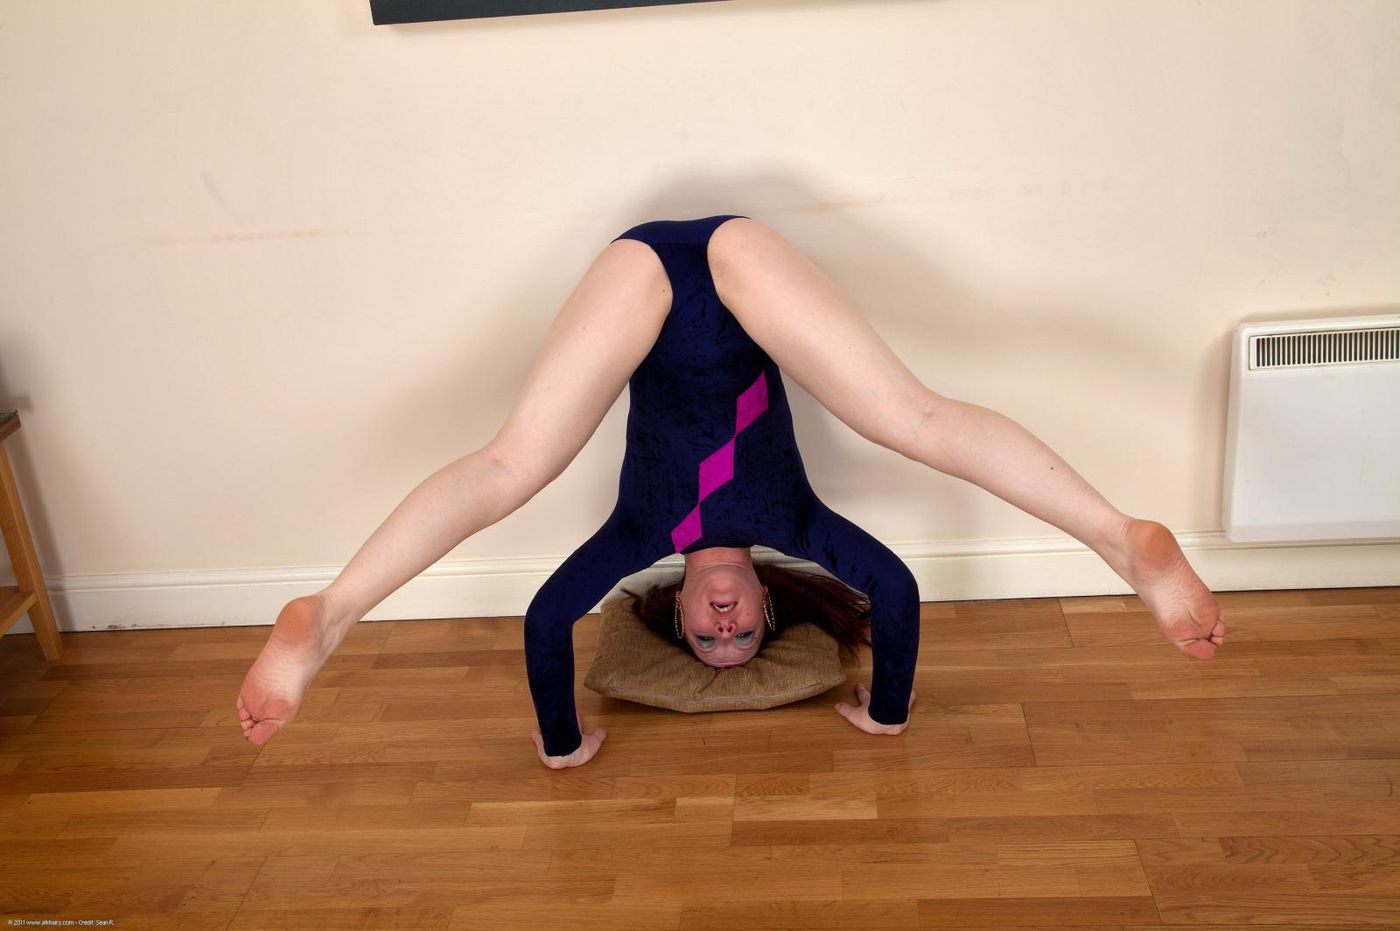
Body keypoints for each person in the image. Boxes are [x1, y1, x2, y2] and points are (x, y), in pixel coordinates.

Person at [236, 215, 1226, 770]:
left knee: (510, 465)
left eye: (706, 638)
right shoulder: (797, 524)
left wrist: (562, 744)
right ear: (764, 602)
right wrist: (886, 712)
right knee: (913, 417)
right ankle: (1117, 537)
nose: (722, 628)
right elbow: (894, 589)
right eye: (742, 634)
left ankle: (331, 612)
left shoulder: (634, 535)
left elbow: (544, 621)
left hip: (638, 276)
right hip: (742, 263)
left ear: (672, 609)